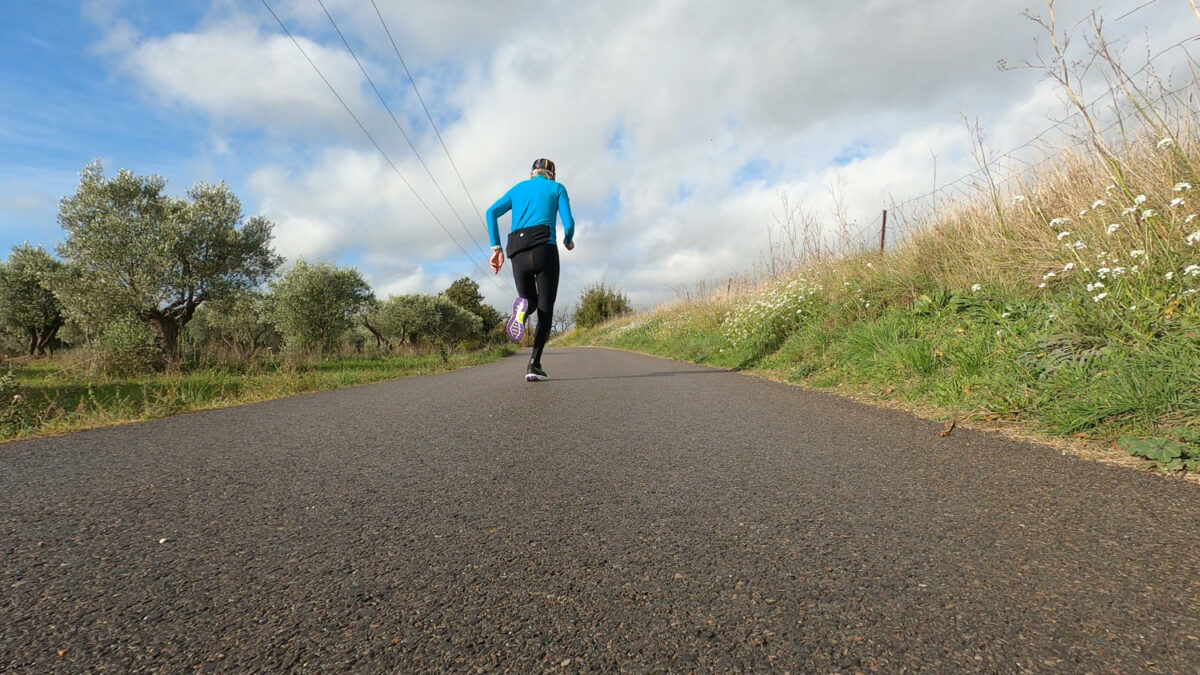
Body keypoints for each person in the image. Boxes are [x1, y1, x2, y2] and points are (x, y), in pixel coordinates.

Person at [486, 158, 575, 382]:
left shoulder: (517, 189)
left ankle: (521, 313)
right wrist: (568, 240)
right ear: (552, 174)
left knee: (528, 302)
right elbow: (570, 224)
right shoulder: (557, 188)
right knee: (545, 309)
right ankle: (534, 364)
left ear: (531, 173)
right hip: (544, 248)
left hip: (517, 250)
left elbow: (491, 212)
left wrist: (496, 248)